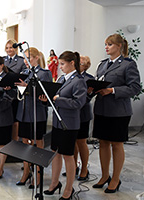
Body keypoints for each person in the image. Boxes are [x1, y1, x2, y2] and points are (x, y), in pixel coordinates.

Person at [91, 33, 141, 193]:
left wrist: (112, 90)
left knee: (116, 144)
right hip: (101, 109)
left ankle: (116, 178)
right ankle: (105, 175)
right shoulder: (102, 64)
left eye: (110, 44)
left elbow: (135, 88)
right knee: (103, 143)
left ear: (119, 46)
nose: (106, 47)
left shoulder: (128, 64)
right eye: (105, 44)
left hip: (119, 111)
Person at [41, 51, 86, 200]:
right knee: (55, 153)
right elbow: (54, 98)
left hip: (69, 124)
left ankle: (68, 189)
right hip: (57, 122)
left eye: (62, 64)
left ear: (72, 63)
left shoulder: (78, 81)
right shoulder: (62, 78)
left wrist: (59, 100)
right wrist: (46, 100)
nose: (59, 67)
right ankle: (54, 184)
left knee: (68, 156)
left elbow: (78, 103)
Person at [14, 47, 52, 188]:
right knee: (25, 143)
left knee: (38, 144)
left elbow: (44, 92)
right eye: (24, 58)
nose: (26, 61)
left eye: (28, 58)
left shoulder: (44, 73)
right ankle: (26, 173)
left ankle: (38, 175)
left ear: (36, 58)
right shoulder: (24, 72)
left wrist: (27, 87)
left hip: (37, 112)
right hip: (23, 112)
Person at [70, 55, 94, 181]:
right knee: (73, 142)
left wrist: (88, 94)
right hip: (71, 114)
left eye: (80, 64)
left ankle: (84, 168)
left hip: (83, 113)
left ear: (85, 66)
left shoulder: (89, 78)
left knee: (81, 141)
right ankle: (73, 166)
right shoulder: (71, 76)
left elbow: (89, 97)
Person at [4, 39, 25, 142]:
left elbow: (24, 76)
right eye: (7, 48)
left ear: (16, 48)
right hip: (4, 92)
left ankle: (15, 140)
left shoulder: (21, 61)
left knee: (15, 119)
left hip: (15, 93)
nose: (9, 50)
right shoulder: (2, 60)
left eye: (11, 47)